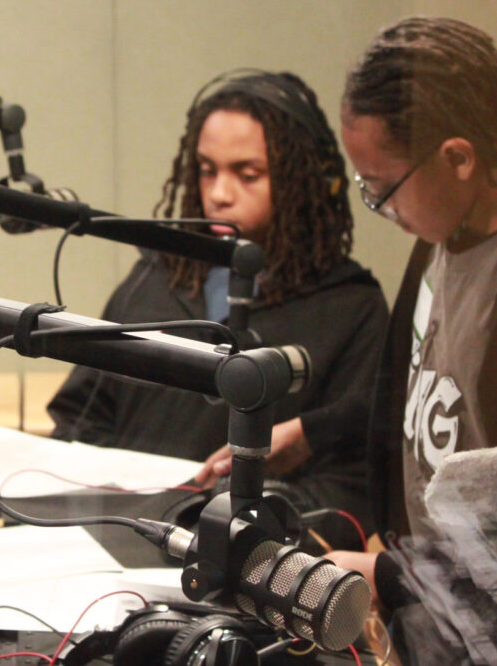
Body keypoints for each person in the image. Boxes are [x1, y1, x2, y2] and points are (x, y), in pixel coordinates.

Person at [325, 17, 497, 664]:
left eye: (380, 188)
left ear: (459, 158)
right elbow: (404, 401)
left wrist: (384, 574)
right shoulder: (442, 233)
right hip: (425, 604)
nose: (379, 207)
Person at [46, 69, 388, 536]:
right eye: (207, 171)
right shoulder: (157, 275)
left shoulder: (351, 307)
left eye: (247, 175)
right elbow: (81, 416)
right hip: (117, 537)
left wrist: (235, 517)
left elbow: (350, 488)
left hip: (246, 564)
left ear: (303, 180)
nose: (219, 195)